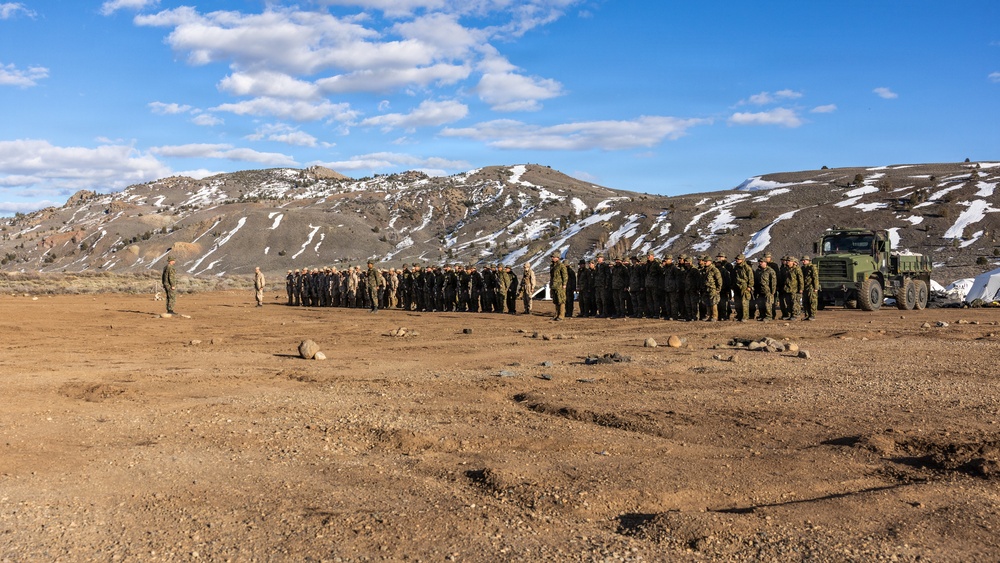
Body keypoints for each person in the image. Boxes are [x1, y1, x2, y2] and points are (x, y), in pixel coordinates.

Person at [754, 257, 777, 322]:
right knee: (760, 304)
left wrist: (772, 291)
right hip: (759, 290)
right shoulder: (758, 271)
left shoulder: (770, 271)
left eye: (761, 262)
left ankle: (768, 316)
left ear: (765, 263)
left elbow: (773, 282)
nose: (760, 263)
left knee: (768, 304)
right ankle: (762, 315)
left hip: (767, 290)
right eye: (759, 262)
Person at [549, 252, 568, 321]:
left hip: (560, 286)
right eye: (552, 257)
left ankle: (561, 315)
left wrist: (564, 284)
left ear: (557, 257)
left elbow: (565, 275)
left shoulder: (561, 265)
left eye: (553, 257)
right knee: (556, 301)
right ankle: (556, 315)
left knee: (561, 300)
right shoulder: (552, 266)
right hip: (554, 285)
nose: (552, 258)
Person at [801, 256, 820, 321]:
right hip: (805, 287)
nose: (803, 262)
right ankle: (807, 315)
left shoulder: (812, 267)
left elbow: (815, 278)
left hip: (811, 287)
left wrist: (816, 287)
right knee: (805, 302)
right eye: (802, 260)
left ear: (808, 260)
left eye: (804, 260)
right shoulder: (803, 268)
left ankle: (812, 315)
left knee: (812, 301)